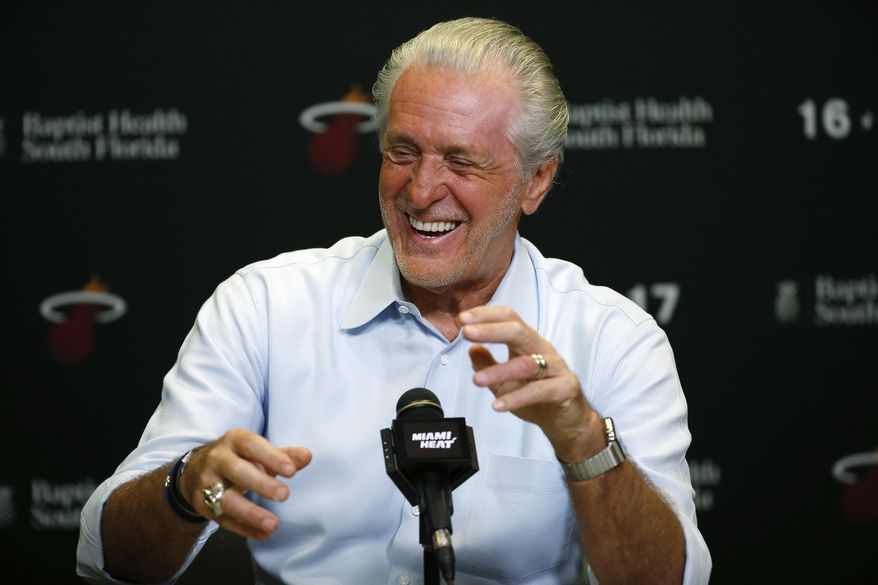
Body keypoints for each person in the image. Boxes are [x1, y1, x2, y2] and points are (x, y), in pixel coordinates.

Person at [77, 17, 711, 585]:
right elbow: (108, 556)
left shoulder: (611, 341)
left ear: (535, 180)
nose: (422, 189)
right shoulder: (266, 308)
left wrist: (583, 442)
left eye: (461, 162)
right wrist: (187, 487)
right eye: (402, 152)